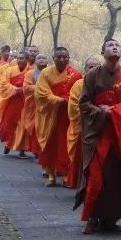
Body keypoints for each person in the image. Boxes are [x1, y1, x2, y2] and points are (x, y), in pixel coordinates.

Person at [76, 40, 121, 239]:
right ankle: (92, 217)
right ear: (102, 51)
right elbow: (83, 102)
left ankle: (110, 219)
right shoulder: (93, 75)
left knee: (117, 178)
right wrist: (99, 110)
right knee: (95, 176)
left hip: (120, 133)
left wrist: (118, 110)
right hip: (98, 133)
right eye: (110, 45)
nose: (114, 48)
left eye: (117, 45)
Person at [35, 47, 81, 188]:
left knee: (66, 145)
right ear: (53, 58)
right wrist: (59, 100)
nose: (61, 59)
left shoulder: (76, 74)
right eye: (58, 57)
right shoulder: (45, 73)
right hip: (50, 115)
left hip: (68, 115)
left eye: (64, 57)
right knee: (50, 145)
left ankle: (67, 175)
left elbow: (79, 93)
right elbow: (41, 93)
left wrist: (69, 101)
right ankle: (51, 175)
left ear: (68, 58)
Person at [66, 57, 98, 191]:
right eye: (90, 67)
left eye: (96, 66)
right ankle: (81, 184)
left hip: (99, 128)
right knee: (80, 159)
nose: (93, 69)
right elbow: (74, 106)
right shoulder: (79, 84)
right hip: (82, 128)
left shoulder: (105, 84)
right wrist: (93, 115)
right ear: (85, 69)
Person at [0, 48, 31, 154]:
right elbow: (3, 83)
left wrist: (25, 89)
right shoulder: (10, 70)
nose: (19, 60)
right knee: (10, 123)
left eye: (22, 58)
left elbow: (35, 85)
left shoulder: (31, 71)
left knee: (23, 125)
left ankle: (22, 149)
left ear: (27, 59)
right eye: (18, 58)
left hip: (26, 101)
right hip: (12, 100)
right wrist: (15, 89)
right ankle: (9, 144)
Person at [17, 52, 46, 157]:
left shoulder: (51, 72)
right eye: (39, 58)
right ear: (35, 61)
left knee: (43, 128)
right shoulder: (30, 73)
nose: (42, 60)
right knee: (31, 127)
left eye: (44, 58)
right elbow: (26, 88)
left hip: (47, 106)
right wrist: (42, 88)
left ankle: (39, 150)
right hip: (33, 105)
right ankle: (27, 149)